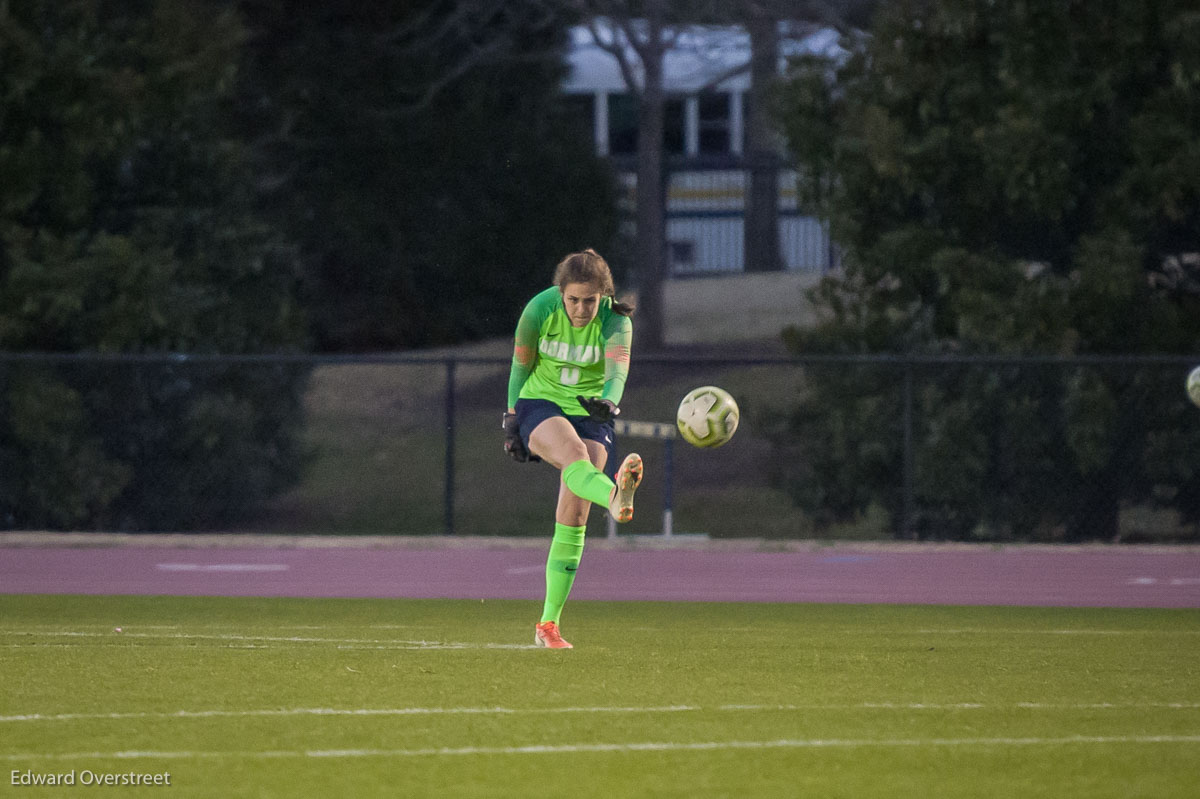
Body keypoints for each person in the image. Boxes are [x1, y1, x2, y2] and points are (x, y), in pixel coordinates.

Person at [503, 249, 643, 650]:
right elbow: (520, 366)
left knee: (576, 513)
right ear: (560, 293)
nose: (581, 309)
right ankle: (615, 498)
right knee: (577, 459)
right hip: (540, 402)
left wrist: (609, 403)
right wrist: (511, 420)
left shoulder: (616, 322)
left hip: (590, 409)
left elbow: (617, 370)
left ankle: (548, 624)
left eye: (590, 301)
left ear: (604, 296)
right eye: (573, 300)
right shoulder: (539, 310)